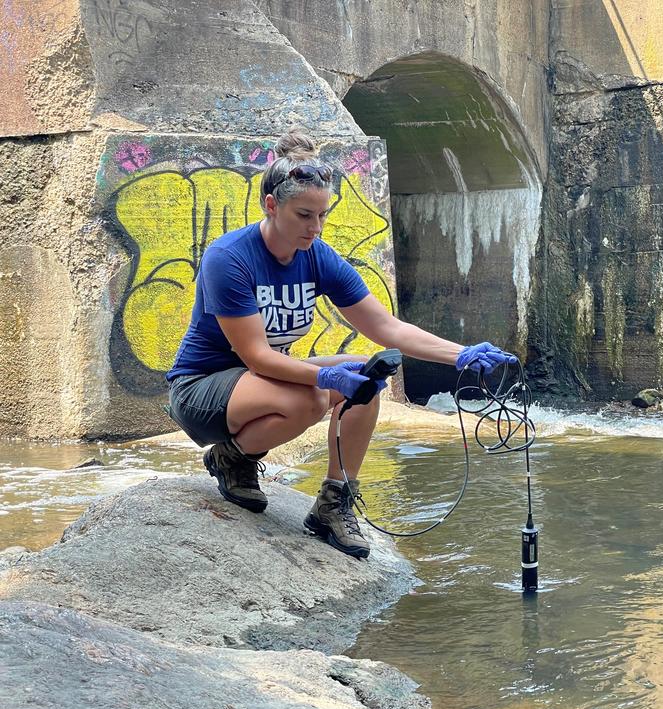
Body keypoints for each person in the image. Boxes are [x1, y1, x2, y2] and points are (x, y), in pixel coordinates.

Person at [165, 127, 516, 560]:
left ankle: (334, 500)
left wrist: (459, 355)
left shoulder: (318, 255)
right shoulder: (230, 258)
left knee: (368, 373)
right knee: (309, 400)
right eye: (304, 215)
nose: (315, 228)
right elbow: (256, 357)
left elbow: (386, 328)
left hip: (258, 382)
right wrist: (327, 377)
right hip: (202, 388)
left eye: (322, 215)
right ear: (271, 206)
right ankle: (231, 459)